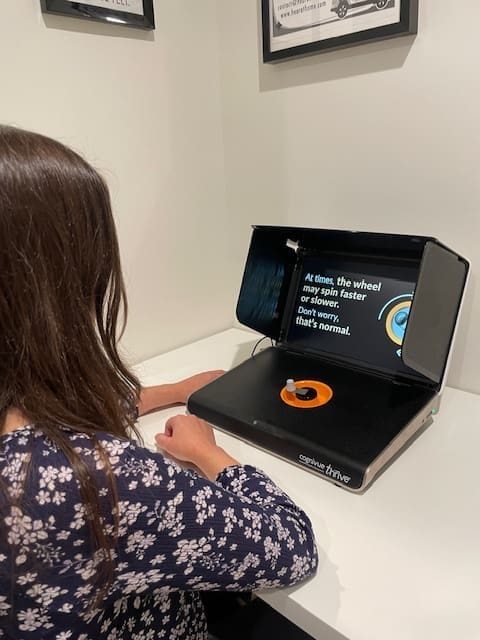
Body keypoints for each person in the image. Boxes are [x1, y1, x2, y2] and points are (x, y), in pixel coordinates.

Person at [0, 125, 318, 639]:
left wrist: (173, 390)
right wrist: (208, 453)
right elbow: (290, 546)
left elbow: (43, 410)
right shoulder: (92, 483)